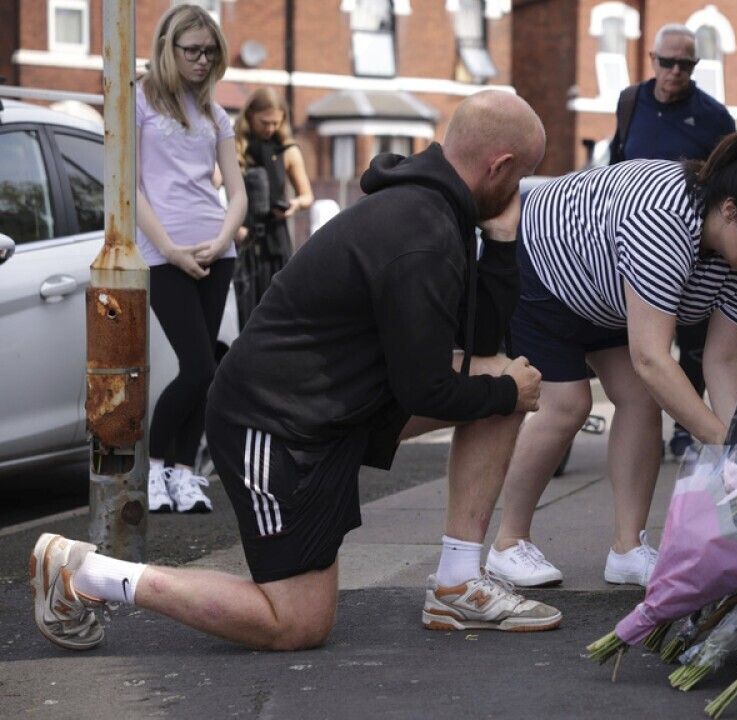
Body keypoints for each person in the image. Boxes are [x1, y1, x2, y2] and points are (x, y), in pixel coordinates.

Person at [30, 90, 557, 653]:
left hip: (336, 408)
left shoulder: (438, 215)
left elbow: (476, 346)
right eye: (521, 178)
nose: (518, 194)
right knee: (297, 624)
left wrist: (501, 243)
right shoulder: (421, 232)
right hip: (272, 425)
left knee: (505, 379)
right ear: (499, 167)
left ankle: (457, 582)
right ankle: (85, 572)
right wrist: (501, 388)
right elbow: (424, 387)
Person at [487, 133, 737, 588]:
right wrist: (723, 444)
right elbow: (650, 358)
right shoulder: (663, 222)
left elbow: (722, 360)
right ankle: (507, 543)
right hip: (544, 265)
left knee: (642, 402)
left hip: (610, 291)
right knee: (567, 404)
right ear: (730, 211)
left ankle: (627, 548)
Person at [134, 4, 246, 515]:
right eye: (193, 51)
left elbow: (238, 193)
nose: (203, 61)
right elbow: (131, 189)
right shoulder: (137, 102)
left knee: (209, 371)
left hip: (215, 251)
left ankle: (183, 475)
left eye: (210, 52)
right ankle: (156, 471)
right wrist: (172, 251)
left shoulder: (215, 114)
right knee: (198, 366)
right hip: (164, 253)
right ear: (168, 49)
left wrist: (223, 238)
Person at [608, 23, 736, 460]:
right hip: (632, 245)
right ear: (652, 60)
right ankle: (639, 418)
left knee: (694, 344)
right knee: (638, 344)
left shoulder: (714, 117)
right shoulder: (630, 102)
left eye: (686, 64)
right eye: (667, 62)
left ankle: (686, 429)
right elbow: (615, 163)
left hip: (691, 247)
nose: (675, 71)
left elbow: (730, 185)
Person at [232, 87, 313, 329]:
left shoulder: (288, 151)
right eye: (264, 122)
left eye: (276, 123)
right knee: (246, 316)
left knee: (278, 313)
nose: (270, 128)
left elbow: (307, 196)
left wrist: (293, 206)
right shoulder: (235, 150)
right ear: (249, 117)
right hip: (243, 241)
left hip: (276, 240)